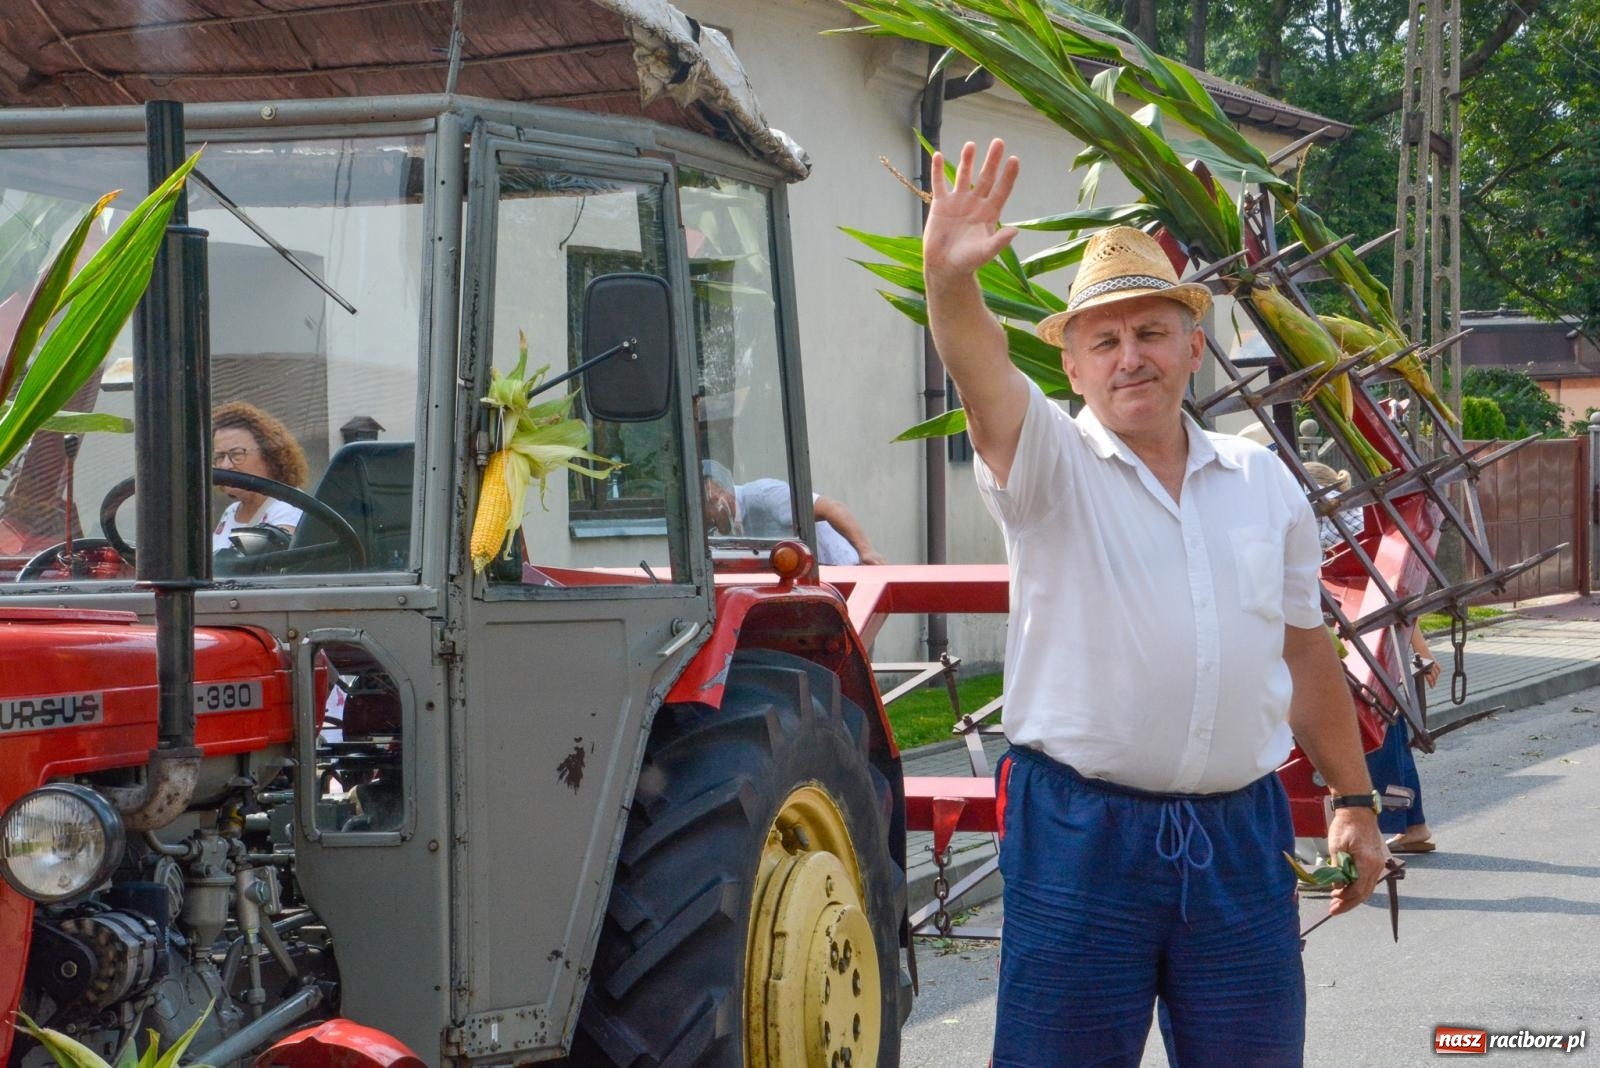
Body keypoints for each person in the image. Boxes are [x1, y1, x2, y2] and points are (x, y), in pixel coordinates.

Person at [921, 140, 1385, 1066]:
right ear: (1074, 368)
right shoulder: (1047, 463)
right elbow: (979, 368)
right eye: (1105, 341)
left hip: (1241, 838)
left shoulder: (1262, 480)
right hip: (1081, 840)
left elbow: (1304, 651)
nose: (1130, 357)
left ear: (1191, 345)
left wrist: (1355, 800)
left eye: (1151, 333)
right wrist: (948, 279)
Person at [1304, 461, 1438, 851]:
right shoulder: (1361, 519)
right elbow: (1395, 594)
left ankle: (1380, 827)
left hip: (1357, 645)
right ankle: (1414, 826)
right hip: (1378, 640)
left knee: (1372, 739)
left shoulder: (1323, 518)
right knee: (1389, 733)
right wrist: (1421, 652)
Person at [701, 459, 886, 565]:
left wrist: (866, 550)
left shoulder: (764, 495)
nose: (706, 523)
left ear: (714, 491)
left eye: (703, 511)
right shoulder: (736, 525)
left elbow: (831, 508)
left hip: (839, 568)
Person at [211, 400, 308, 552]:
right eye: (220, 456)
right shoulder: (232, 511)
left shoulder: (289, 508)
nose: (225, 465)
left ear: (268, 456)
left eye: (236, 454)